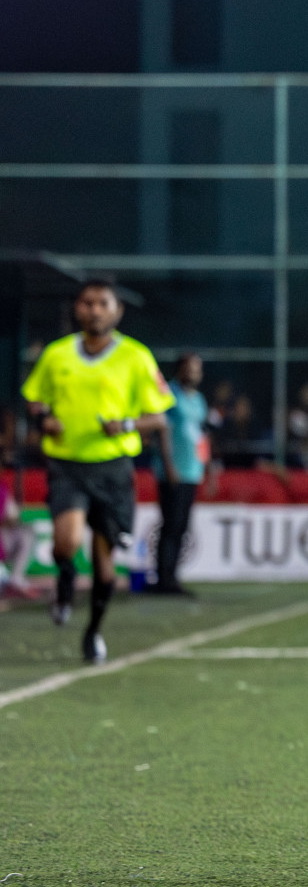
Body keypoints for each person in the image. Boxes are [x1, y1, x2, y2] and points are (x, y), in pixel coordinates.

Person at [20, 281, 174, 663]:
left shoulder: (136, 357)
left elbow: (158, 416)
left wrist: (124, 425)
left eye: (102, 303)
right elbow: (34, 400)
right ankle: (66, 579)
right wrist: (46, 420)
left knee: (106, 567)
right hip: (67, 463)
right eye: (87, 303)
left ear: (117, 310)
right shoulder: (57, 355)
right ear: (77, 309)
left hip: (112, 469)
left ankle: (93, 632)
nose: (94, 310)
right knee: (65, 543)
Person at [149, 353, 208, 596]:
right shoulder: (169, 393)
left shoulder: (200, 400)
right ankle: (164, 579)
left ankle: (172, 576)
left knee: (182, 525)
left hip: (192, 470)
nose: (194, 373)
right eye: (190, 368)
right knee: (170, 524)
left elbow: (201, 435)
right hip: (173, 470)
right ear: (180, 370)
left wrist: (208, 466)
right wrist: (169, 465)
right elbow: (163, 429)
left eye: (197, 369)